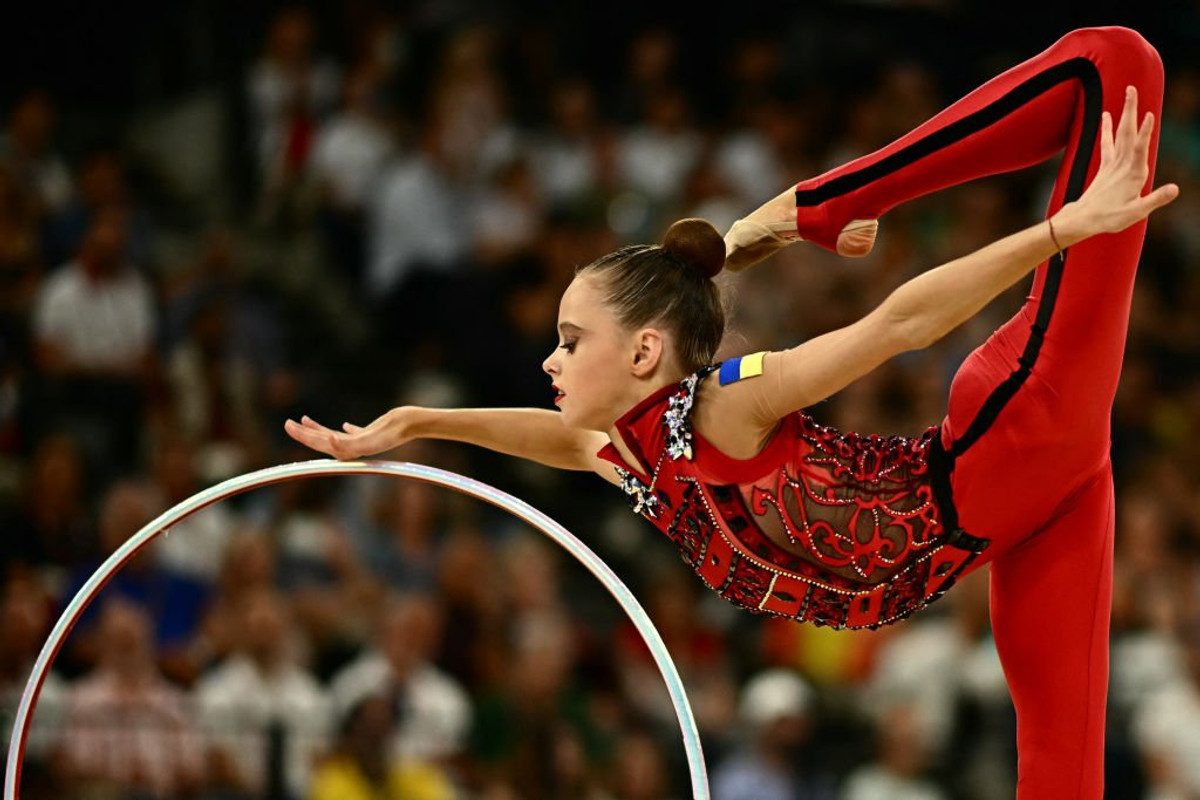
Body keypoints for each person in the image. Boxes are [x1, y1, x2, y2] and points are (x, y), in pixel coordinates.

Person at [285, 27, 1177, 798]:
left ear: (644, 353)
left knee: (1115, 63)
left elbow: (900, 325)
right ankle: (800, 213)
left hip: (1019, 431)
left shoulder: (725, 407)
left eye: (570, 341)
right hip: (1007, 523)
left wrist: (1064, 231)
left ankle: (837, 197)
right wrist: (418, 422)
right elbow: (554, 438)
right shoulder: (635, 458)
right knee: (1064, 776)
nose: (550, 361)